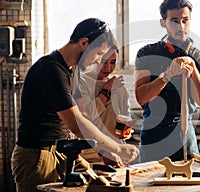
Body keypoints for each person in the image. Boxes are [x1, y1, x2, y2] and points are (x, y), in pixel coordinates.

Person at [11, 18, 139, 192]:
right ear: (84, 43)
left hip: (63, 151)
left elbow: (84, 115)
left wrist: (103, 151)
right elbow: (77, 124)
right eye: (99, 54)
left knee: (98, 185)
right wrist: (117, 148)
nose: (97, 61)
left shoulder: (72, 71)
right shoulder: (51, 69)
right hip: (37, 155)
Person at [135, 0, 200, 162]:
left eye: (185, 20)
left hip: (185, 136)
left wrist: (193, 69)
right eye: (175, 21)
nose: (181, 26)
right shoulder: (147, 53)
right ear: (163, 23)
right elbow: (141, 98)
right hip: (154, 135)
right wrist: (167, 75)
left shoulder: (199, 57)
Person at [76, 41, 135, 166]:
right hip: (91, 155)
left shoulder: (119, 86)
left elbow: (125, 116)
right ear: (95, 59)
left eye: (113, 62)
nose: (108, 68)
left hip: (118, 156)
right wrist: (106, 90)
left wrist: (127, 131)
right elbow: (87, 117)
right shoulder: (82, 83)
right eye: (103, 62)